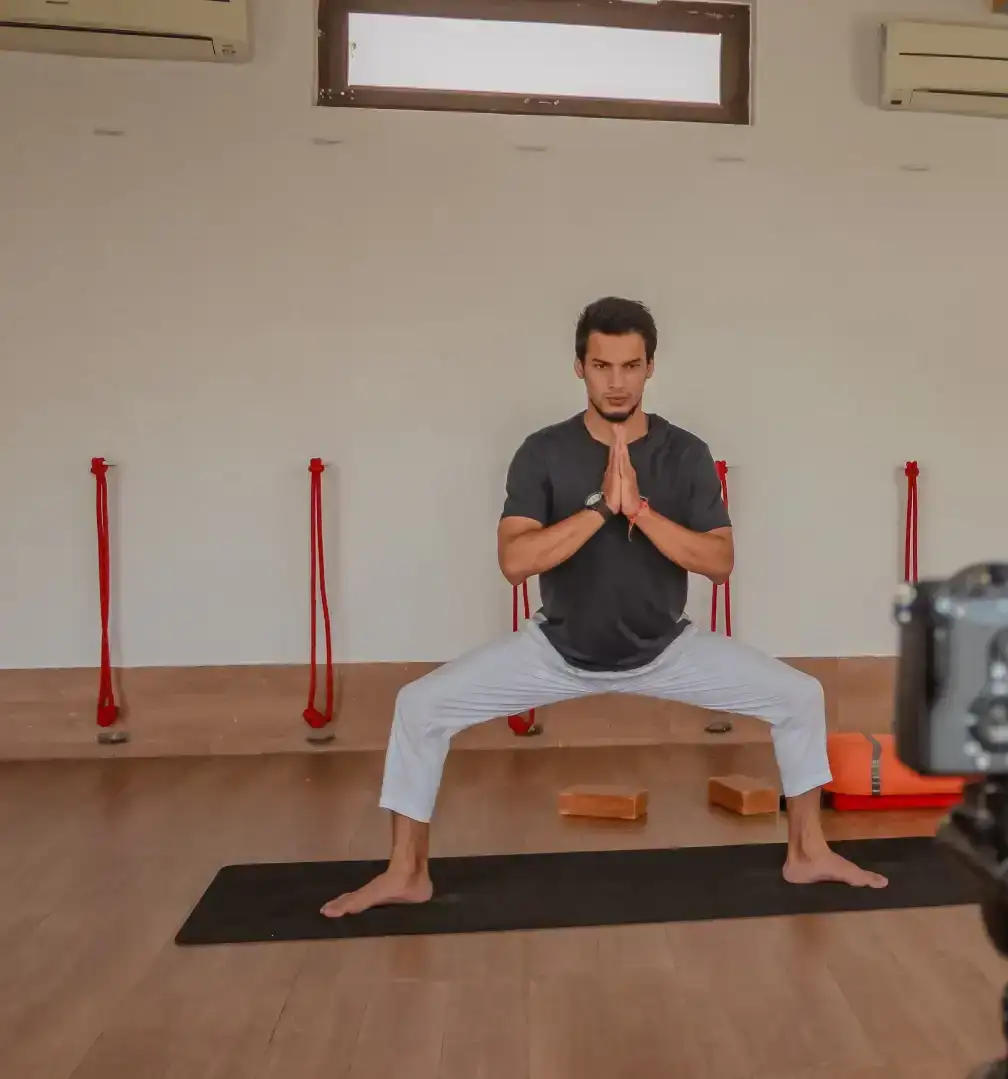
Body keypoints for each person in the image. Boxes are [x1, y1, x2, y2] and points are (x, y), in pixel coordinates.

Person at [322, 297, 886, 917]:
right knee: (419, 706)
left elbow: (719, 562)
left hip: (667, 648)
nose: (616, 382)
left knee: (799, 697)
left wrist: (640, 511)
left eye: (629, 365)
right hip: (557, 650)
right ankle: (407, 872)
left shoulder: (686, 454)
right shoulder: (543, 452)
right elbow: (515, 561)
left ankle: (807, 852)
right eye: (601, 366)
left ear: (650, 367)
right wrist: (599, 510)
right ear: (578, 368)